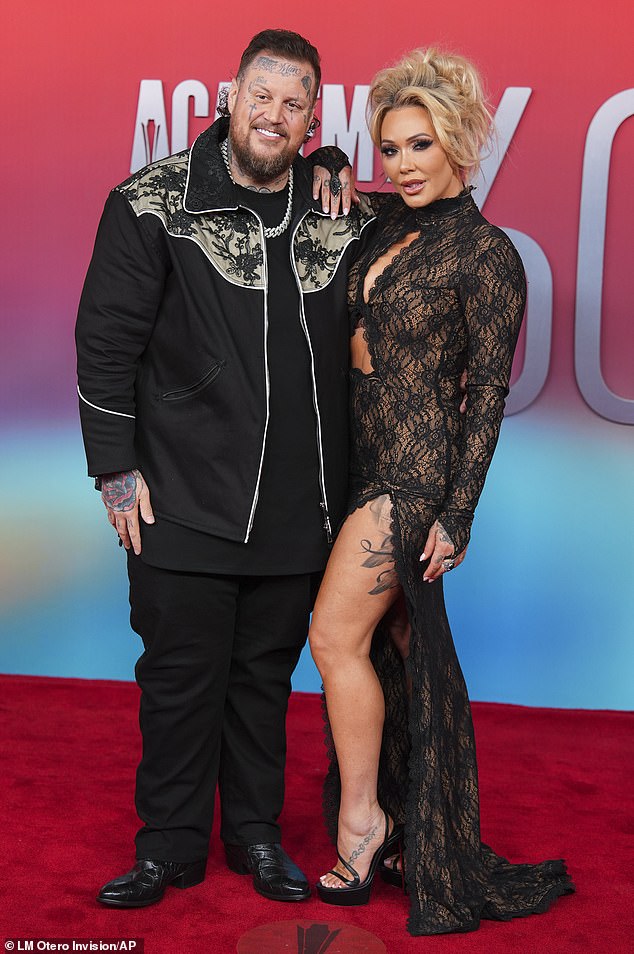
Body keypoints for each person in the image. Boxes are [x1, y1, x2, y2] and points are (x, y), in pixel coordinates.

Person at [75, 28, 368, 908]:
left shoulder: (338, 210)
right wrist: (115, 471)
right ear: (230, 97)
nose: (273, 114)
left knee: (263, 684)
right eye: (261, 96)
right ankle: (167, 848)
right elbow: (105, 344)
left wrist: (340, 163)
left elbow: (424, 227)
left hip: (300, 508)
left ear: (313, 116)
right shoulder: (150, 203)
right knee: (178, 682)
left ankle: (255, 837)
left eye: (294, 103)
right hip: (181, 497)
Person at [308, 48, 575, 934]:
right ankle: (407, 822)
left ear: (459, 144)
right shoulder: (384, 222)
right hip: (355, 464)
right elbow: (330, 183)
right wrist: (330, 160)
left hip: (412, 476)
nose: (404, 164)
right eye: (389, 148)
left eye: (421, 145)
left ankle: (365, 824)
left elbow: (486, 394)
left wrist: (458, 514)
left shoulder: (489, 256)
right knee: (391, 651)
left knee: (333, 636)